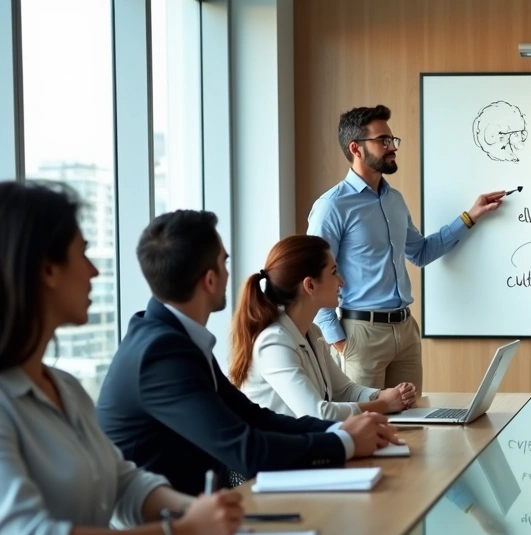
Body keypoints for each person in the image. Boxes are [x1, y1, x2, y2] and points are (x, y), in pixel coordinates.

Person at [0, 182, 243, 535]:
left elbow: (122, 481)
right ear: (46, 270)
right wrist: (182, 534)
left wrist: (195, 510)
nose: (94, 271)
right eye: (82, 253)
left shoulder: (65, 387)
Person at [98, 210, 401, 495]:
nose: (230, 274)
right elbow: (245, 449)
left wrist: (340, 429)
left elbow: (254, 417)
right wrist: (343, 442)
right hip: (167, 527)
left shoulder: (172, 338)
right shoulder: (162, 353)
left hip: (199, 511)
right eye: (224, 262)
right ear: (210, 279)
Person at [307, 104, 505, 393]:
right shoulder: (332, 206)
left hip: (406, 331)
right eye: (383, 141)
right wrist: (339, 341)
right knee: (366, 427)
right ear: (356, 148)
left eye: (392, 140)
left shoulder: (394, 200)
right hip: (361, 334)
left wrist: (470, 216)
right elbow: (312, 275)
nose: (392, 147)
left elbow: (421, 252)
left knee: (412, 427)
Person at [229, 235, 417, 420]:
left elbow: (345, 390)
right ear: (310, 285)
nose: (341, 281)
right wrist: (383, 405)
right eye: (334, 272)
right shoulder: (273, 342)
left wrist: (384, 395)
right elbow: (318, 413)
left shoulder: (312, 332)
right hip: (278, 448)